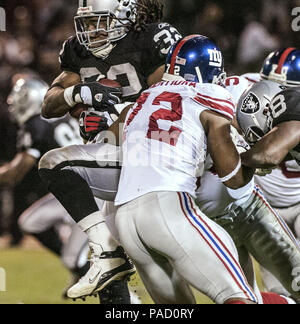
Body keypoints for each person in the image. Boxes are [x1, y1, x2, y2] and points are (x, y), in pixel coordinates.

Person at [40, 0, 182, 302]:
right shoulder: (77, 52)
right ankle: (107, 256)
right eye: (87, 23)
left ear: (126, 16)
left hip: (158, 154)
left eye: (98, 22)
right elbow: (49, 105)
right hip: (115, 159)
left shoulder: (151, 39)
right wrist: (75, 93)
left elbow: (169, 104)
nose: (90, 31)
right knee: (114, 276)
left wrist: (114, 119)